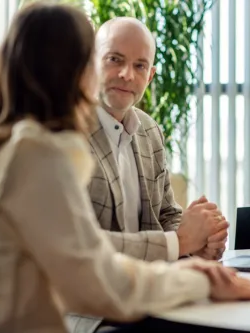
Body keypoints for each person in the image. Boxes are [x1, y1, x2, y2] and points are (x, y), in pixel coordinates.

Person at [0, 3, 250, 333]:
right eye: (98, 60)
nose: (119, 74)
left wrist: (189, 256)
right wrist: (204, 280)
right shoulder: (31, 155)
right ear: (75, 71)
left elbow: (86, 262)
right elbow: (100, 283)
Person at [87, 17, 227, 263]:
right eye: (114, 59)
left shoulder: (150, 131)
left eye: (140, 66)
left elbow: (165, 214)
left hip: (149, 286)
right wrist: (180, 242)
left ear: (150, 76)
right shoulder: (66, 132)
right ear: (91, 62)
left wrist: (199, 243)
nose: (127, 75)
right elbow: (81, 242)